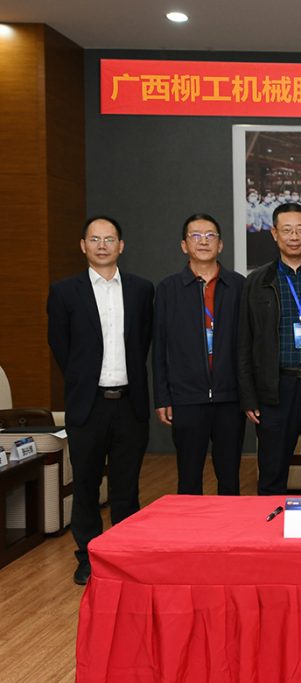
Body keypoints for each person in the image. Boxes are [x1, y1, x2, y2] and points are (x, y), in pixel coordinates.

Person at [47, 216, 154, 585]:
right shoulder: (64, 292)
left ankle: (125, 556)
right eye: (95, 239)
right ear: (83, 246)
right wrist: (83, 380)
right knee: (86, 485)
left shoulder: (141, 290)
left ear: (121, 246)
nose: (102, 245)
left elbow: (143, 340)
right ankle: (88, 556)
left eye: (110, 239)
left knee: (126, 487)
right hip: (87, 404)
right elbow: (61, 347)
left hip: (129, 403)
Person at [237, 202, 301, 496]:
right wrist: (249, 396)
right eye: (287, 230)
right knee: (271, 476)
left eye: (300, 230)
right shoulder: (257, 281)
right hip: (275, 391)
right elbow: (244, 342)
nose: (294, 236)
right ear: (274, 233)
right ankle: (269, 525)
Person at [153, 214, 245, 496]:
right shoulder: (168, 289)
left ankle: (229, 525)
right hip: (187, 398)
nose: (203, 241)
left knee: (229, 477)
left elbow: (248, 344)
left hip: (230, 398)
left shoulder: (238, 286)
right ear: (184, 245)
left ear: (221, 245)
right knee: (189, 479)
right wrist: (163, 397)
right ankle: (190, 526)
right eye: (195, 236)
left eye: (210, 235)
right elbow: (160, 346)